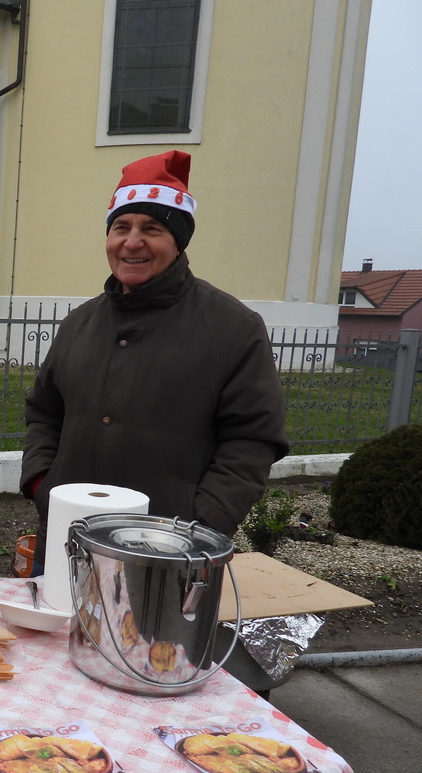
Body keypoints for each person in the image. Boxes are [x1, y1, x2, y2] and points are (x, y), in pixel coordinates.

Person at [19, 150, 289, 562]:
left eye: (152, 228)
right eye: (121, 226)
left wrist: (204, 522)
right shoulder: (80, 323)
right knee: (60, 627)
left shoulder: (232, 327)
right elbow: (44, 413)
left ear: (177, 242)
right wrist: (44, 485)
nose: (132, 242)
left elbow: (252, 440)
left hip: (170, 549)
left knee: (149, 632)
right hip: (66, 537)